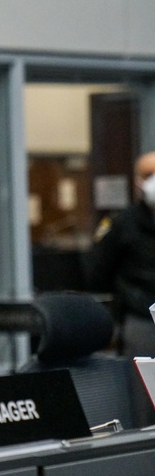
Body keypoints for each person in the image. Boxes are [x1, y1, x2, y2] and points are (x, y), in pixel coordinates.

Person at [85, 151, 155, 358]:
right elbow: (98, 271)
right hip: (140, 318)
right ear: (137, 182)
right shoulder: (122, 224)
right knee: (141, 384)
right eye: (148, 174)